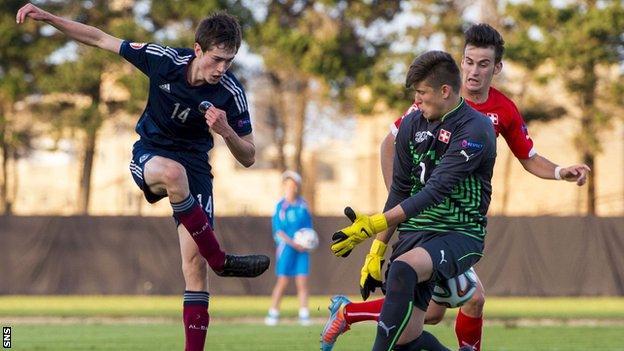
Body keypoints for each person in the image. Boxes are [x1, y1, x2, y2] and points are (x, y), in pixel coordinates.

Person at [321, 23, 591, 351]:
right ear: (459, 65)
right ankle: (350, 314)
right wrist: (397, 215)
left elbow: (528, 156)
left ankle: (349, 313)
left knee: (444, 306)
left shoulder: (495, 113)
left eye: (483, 64)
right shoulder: (428, 105)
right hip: (425, 222)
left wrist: (561, 170)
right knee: (455, 302)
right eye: (468, 61)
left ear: (497, 68)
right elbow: (389, 147)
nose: (474, 71)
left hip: (456, 225)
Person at [16, 4, 270, 351]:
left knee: (194, 265)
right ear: (198, 49)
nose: (221, 69)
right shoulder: (163, 60)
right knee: (172, 172)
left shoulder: (231, 93)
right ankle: (221, 257)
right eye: (216, 59)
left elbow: (249, 156)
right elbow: (100, 38)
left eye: (230, 61)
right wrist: (49, 18)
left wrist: (227, 132)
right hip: (151, 154)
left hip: (196, 167)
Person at [329, 49, 497, 350]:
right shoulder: (411, 124)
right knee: (407, 342)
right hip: (415, 233)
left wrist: (374, 223)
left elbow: (436, 190)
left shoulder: (476, 129)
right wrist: (377, 248)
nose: (416, 101)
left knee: (406, 269)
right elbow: (399, 190)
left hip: (458, 233)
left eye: (421, 93)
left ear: (445, 91)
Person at [265, 171, 314, 326]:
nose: (290, 187)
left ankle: (304, 314)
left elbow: (308, 228)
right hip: (286, 248)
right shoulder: (281, 206)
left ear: (297, 186)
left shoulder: (302, 205)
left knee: (302, 281)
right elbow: (279, 230)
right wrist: (294, 243)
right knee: (283, 281)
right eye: (287, 184)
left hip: (302, 250)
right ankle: (273, 313)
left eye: (293, 184)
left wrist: (306, 242)